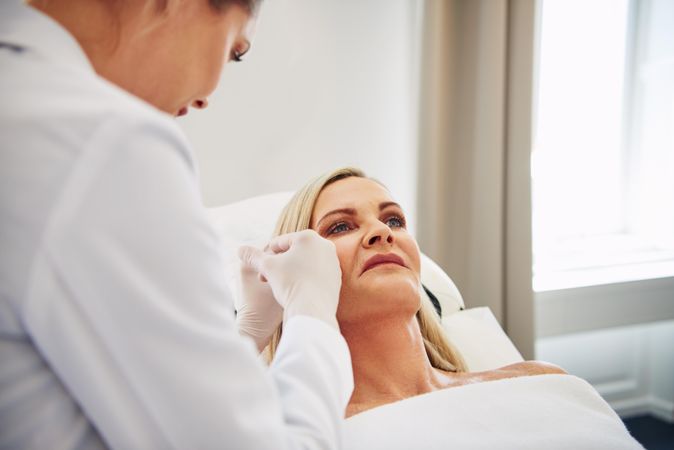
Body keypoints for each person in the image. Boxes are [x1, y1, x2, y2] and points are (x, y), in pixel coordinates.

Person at [0, 1, 353, 449]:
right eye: (234, 50)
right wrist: (312, 316)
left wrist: (244, 335)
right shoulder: (105, 144)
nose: (208, 97)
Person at [263, 167, 643, 449]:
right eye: (340, 227)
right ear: (299, 276)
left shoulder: (540, 380)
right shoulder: (305, 436)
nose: (382, 232)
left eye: (393, 219)